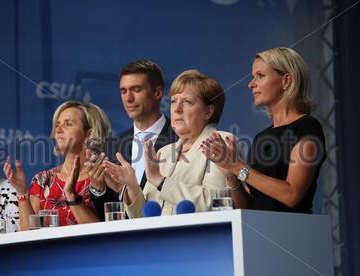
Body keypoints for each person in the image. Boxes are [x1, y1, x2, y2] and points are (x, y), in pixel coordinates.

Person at [201, 47, 326, 213]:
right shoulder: (262, 137)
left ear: (286, 80)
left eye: (260, 76)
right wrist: (231, 175)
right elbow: (249, 207)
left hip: (293, 232)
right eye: (253, 77)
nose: (251, 84)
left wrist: (237, 166)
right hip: (258, 234)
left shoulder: (307, 127)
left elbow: (292, 195)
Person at [104, 70, 236, 216]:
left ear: (208, 112)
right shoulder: (164, 152)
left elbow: (214, 203)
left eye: (187, 102)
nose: (177, 109)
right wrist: (132, 187)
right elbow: (142, 217)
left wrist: (160, 181)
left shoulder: (220, 143)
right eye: (173, 101)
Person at [86, 60, 178, 215]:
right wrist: (98, 189)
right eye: (123, 91)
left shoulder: (180, 138)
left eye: (136, 89)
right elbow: (107, 216)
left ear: (158, 93)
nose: (128, 98)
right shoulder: (111, 147)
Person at [4, 100, 111, 230]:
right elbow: (28, 233)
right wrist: (21, 193)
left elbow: (103, 233)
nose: (59, 129)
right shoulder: (43, 179)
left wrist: (72, 197)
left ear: (89, 133)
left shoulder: (106, 175)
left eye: (68, 124)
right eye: (57, 125)